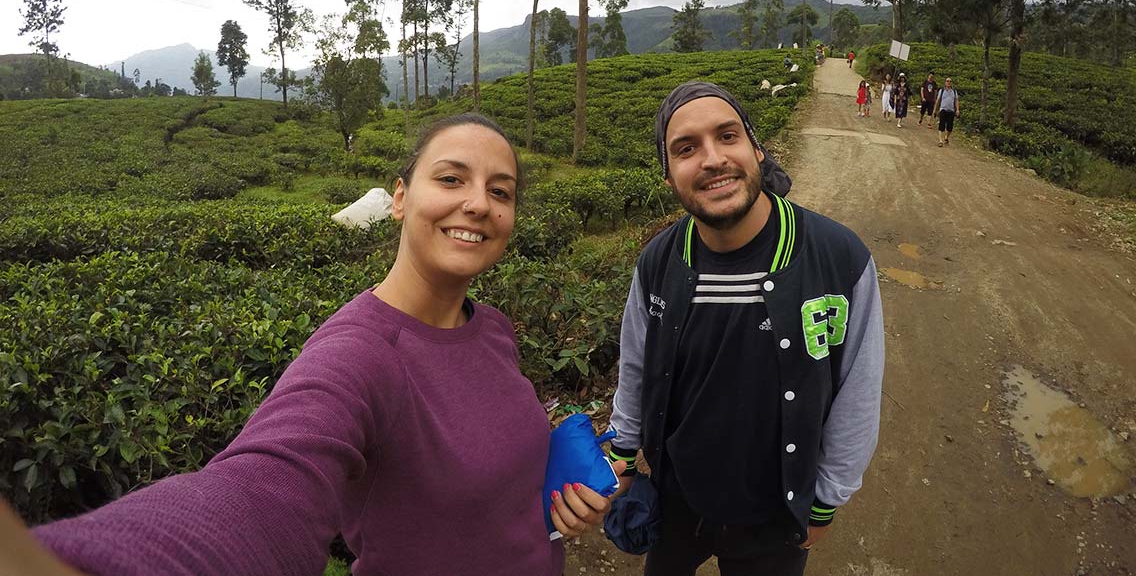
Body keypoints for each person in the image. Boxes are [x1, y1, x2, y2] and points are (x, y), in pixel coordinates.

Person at [3, 113, 619, 576]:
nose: (478, 203)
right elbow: (261, 491)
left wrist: (561, 504)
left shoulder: (493, 328)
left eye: (501, 191)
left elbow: (485, 473)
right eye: (451, 178)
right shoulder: (360, 353)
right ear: (400, 198)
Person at [606, 82, 884, 576]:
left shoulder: (838, 259)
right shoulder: (658, 263)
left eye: (727, 136)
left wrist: (825, 501)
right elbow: (635, 364)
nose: (712, 159)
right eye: (686, 149)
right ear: (669, 175)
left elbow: (857, 390)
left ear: (756, 149)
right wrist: (624, 455)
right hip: (678, 497)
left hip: (775, 513)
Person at [934, 77, 961, 147]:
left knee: (950, 127)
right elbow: (938, 100)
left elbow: (956, 100)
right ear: (945, 82)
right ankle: (940, 140)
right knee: (941, 125)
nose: (948, 82)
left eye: (950, 81)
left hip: (951, 110)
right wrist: (935, 110)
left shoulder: (954, 91)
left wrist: (957, 110)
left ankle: (946, 137)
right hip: (943, 109)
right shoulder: (942, 90)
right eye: (947, 81)